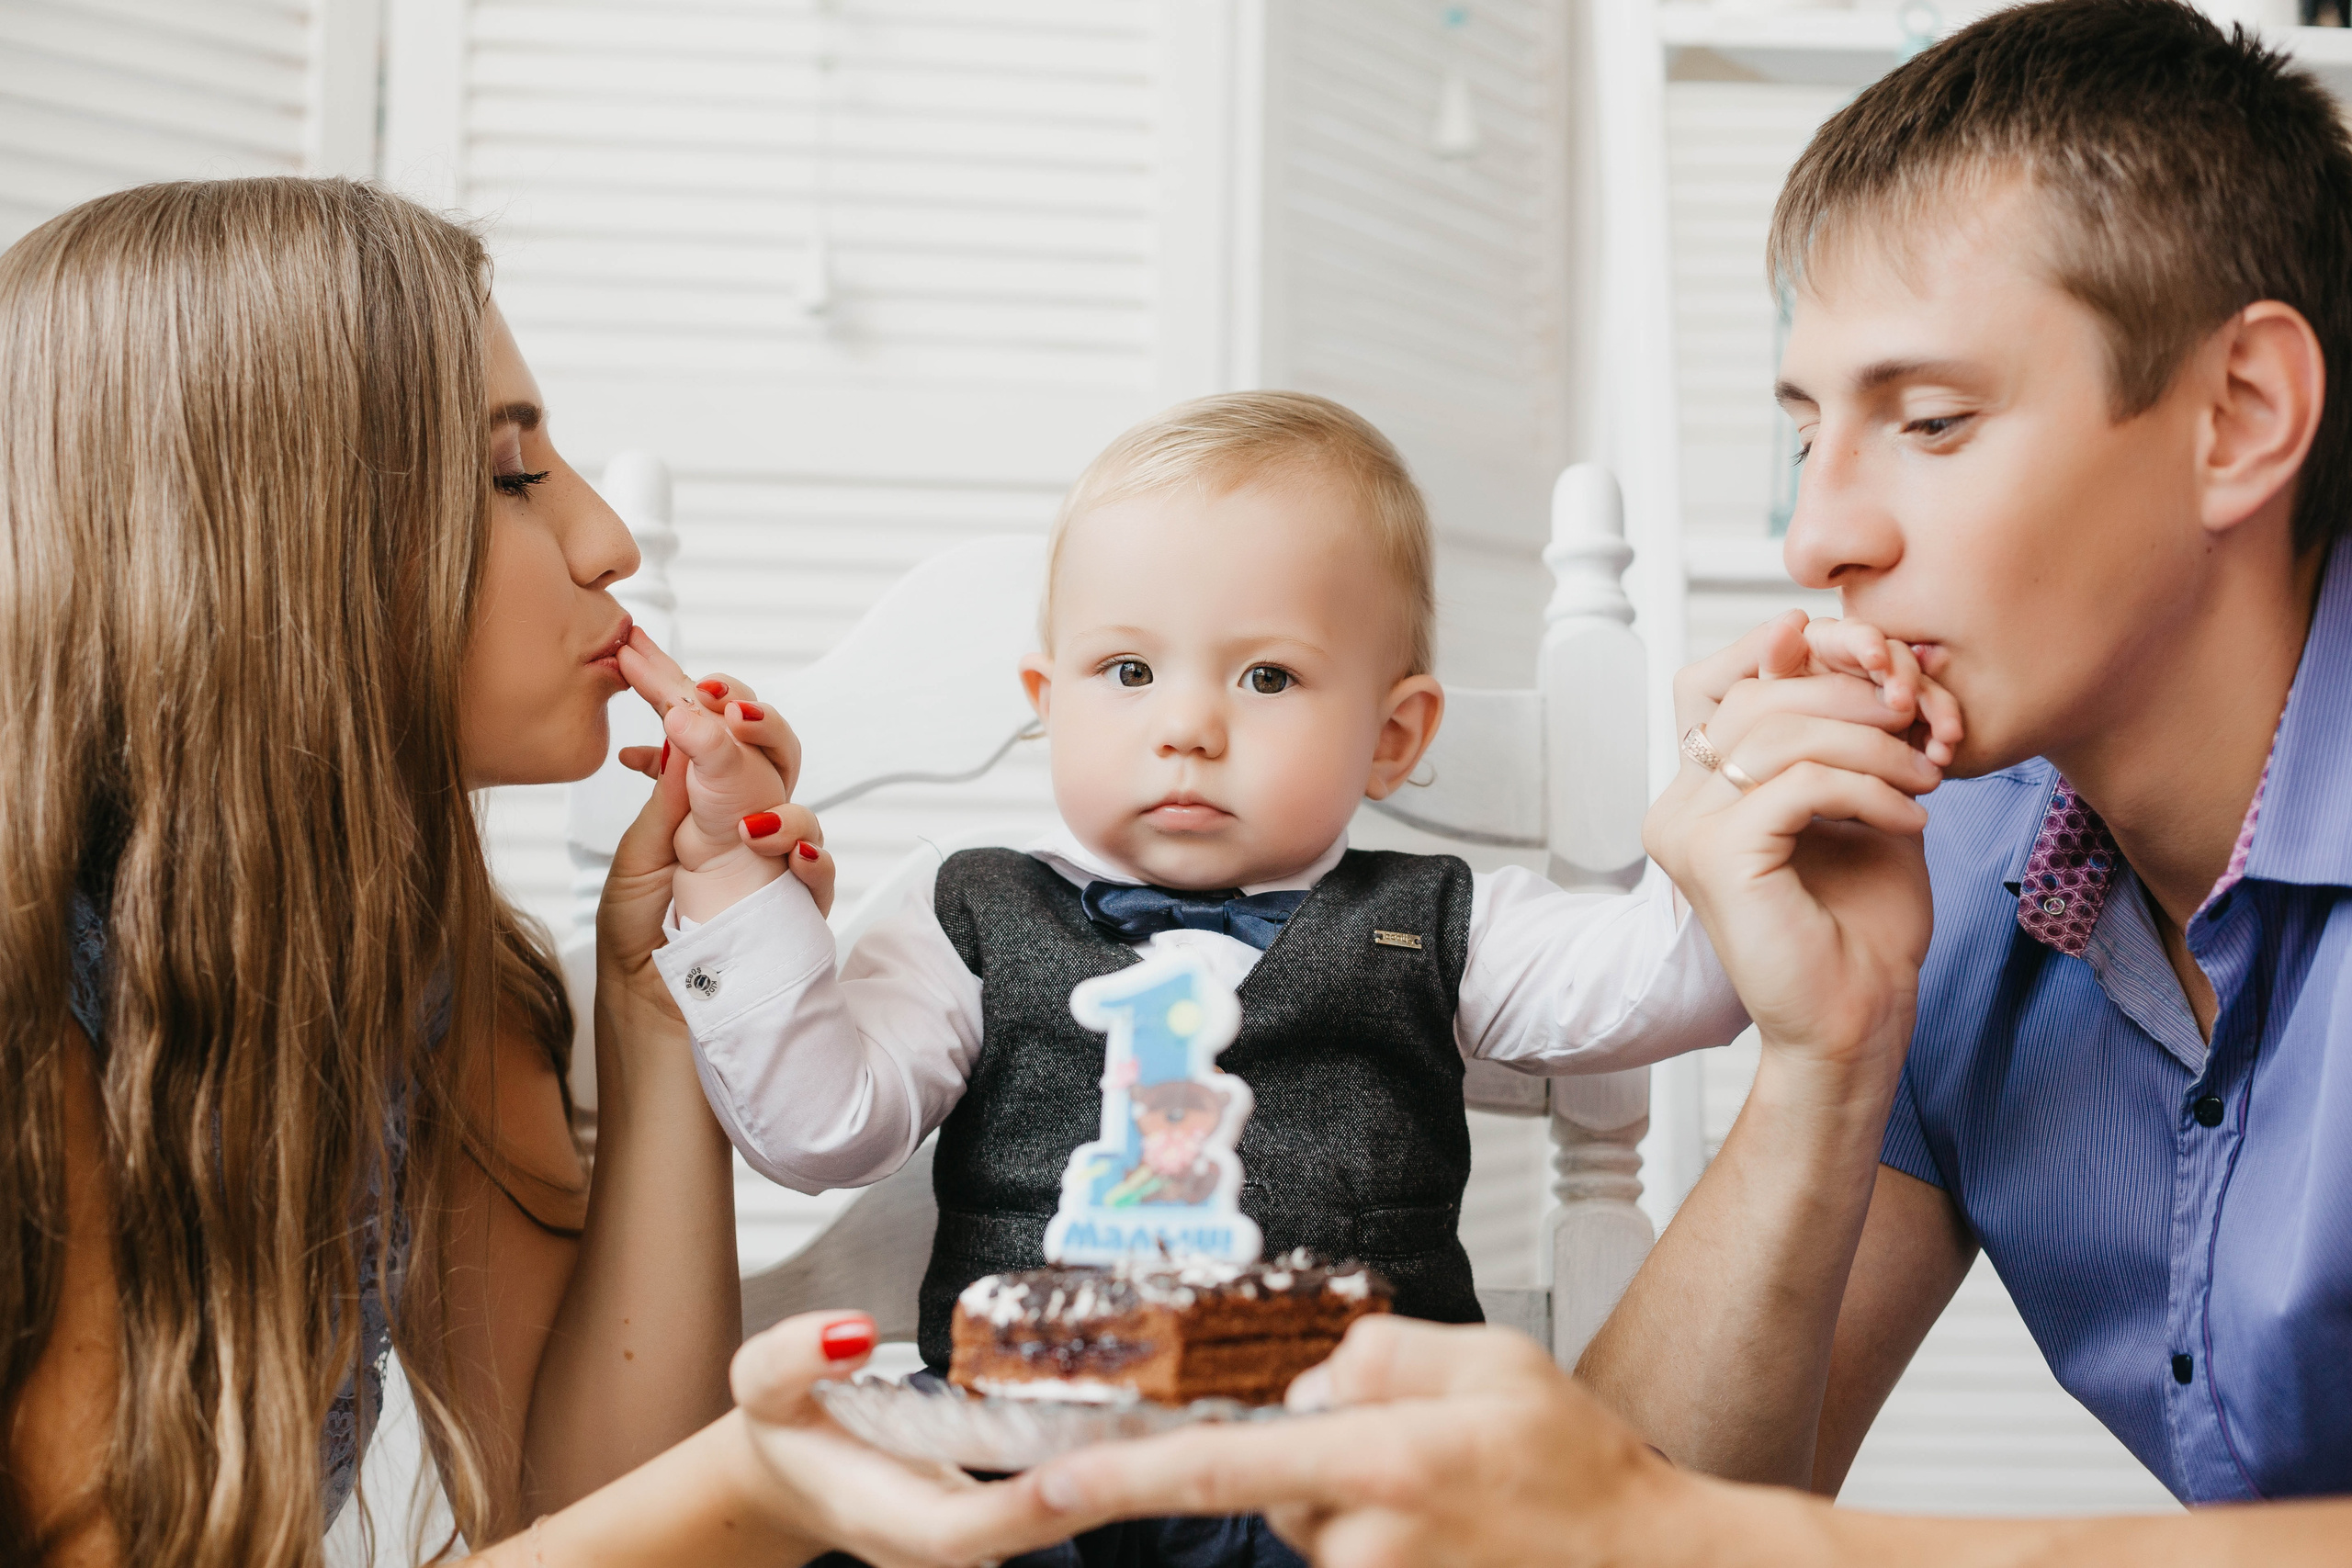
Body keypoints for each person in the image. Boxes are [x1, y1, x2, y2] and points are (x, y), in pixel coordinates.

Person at [989, 0, 2352, 1559]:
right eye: (1807, 435)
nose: (1819, 538)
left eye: (1931, 422)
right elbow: (1602, 1525)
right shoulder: (1968, 869)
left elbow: (1695, 1538)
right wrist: (1827, 1046)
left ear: (2239, 416)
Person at [632, 392, 1952, 1567]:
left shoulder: (1443, 919)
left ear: (1394, 734)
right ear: (1050, 699)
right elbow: (820, 1131)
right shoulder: (966, 907)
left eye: (1267, 676)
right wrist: (731, 878)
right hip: (1009, 1477)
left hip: (1353, 1482)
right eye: (1127, 670)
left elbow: (1670, 984)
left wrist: (1758, 794)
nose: (1187, 725)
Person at [0, 176, 1093, 1568]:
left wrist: (657, 999)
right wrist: (761, 1481)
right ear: (262, 546)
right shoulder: (31, 987)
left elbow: (580, 1505)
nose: (607, 543)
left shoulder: (417, 968)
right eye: (512, 477)